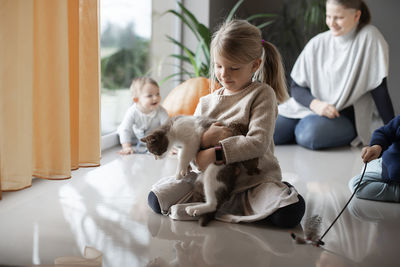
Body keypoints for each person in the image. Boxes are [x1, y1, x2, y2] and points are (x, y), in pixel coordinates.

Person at [147, 19, 305, 228]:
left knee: (288, 214)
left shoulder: (261, 94)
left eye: (234, 68)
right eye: (219, 66)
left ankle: (276, 190)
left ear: (255, 65)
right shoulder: (205, 102)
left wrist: (217, 153)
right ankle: (220, 205)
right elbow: (196, 160)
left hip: (252, 182)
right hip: (211, 183)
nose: (223, 74)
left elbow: (258, 142)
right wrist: (204, 140)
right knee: (156, 200)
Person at [275, 0, 394, 150]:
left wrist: (393, 133)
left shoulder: (369, 37)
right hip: (308, 108)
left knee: (309, 133)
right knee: (269, 130)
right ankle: (296, 129)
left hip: (343, 115)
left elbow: (380, 89)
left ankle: (299, 130)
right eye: (328, 16)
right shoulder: (318, 42)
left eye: (338, 17)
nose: (332, 23)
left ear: (357, 15)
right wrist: (316, 105)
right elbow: (296, 87)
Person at [348, 115, 400, 202]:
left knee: (356, 185)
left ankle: (397, 192)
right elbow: (384, 132)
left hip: (394, 175)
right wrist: (376, 147)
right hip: (385, 162)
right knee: (368, 163)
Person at [117, 77, 169, 155]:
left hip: (153, 140)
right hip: (136, 138)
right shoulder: (132, 112)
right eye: (149, 96)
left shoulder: (161, 111)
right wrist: (126, 146)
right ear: (136, 100)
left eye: (157, 94)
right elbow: (125, 129)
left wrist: (170, 146)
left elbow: (168, 129)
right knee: (121, 129)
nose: (155, 98)